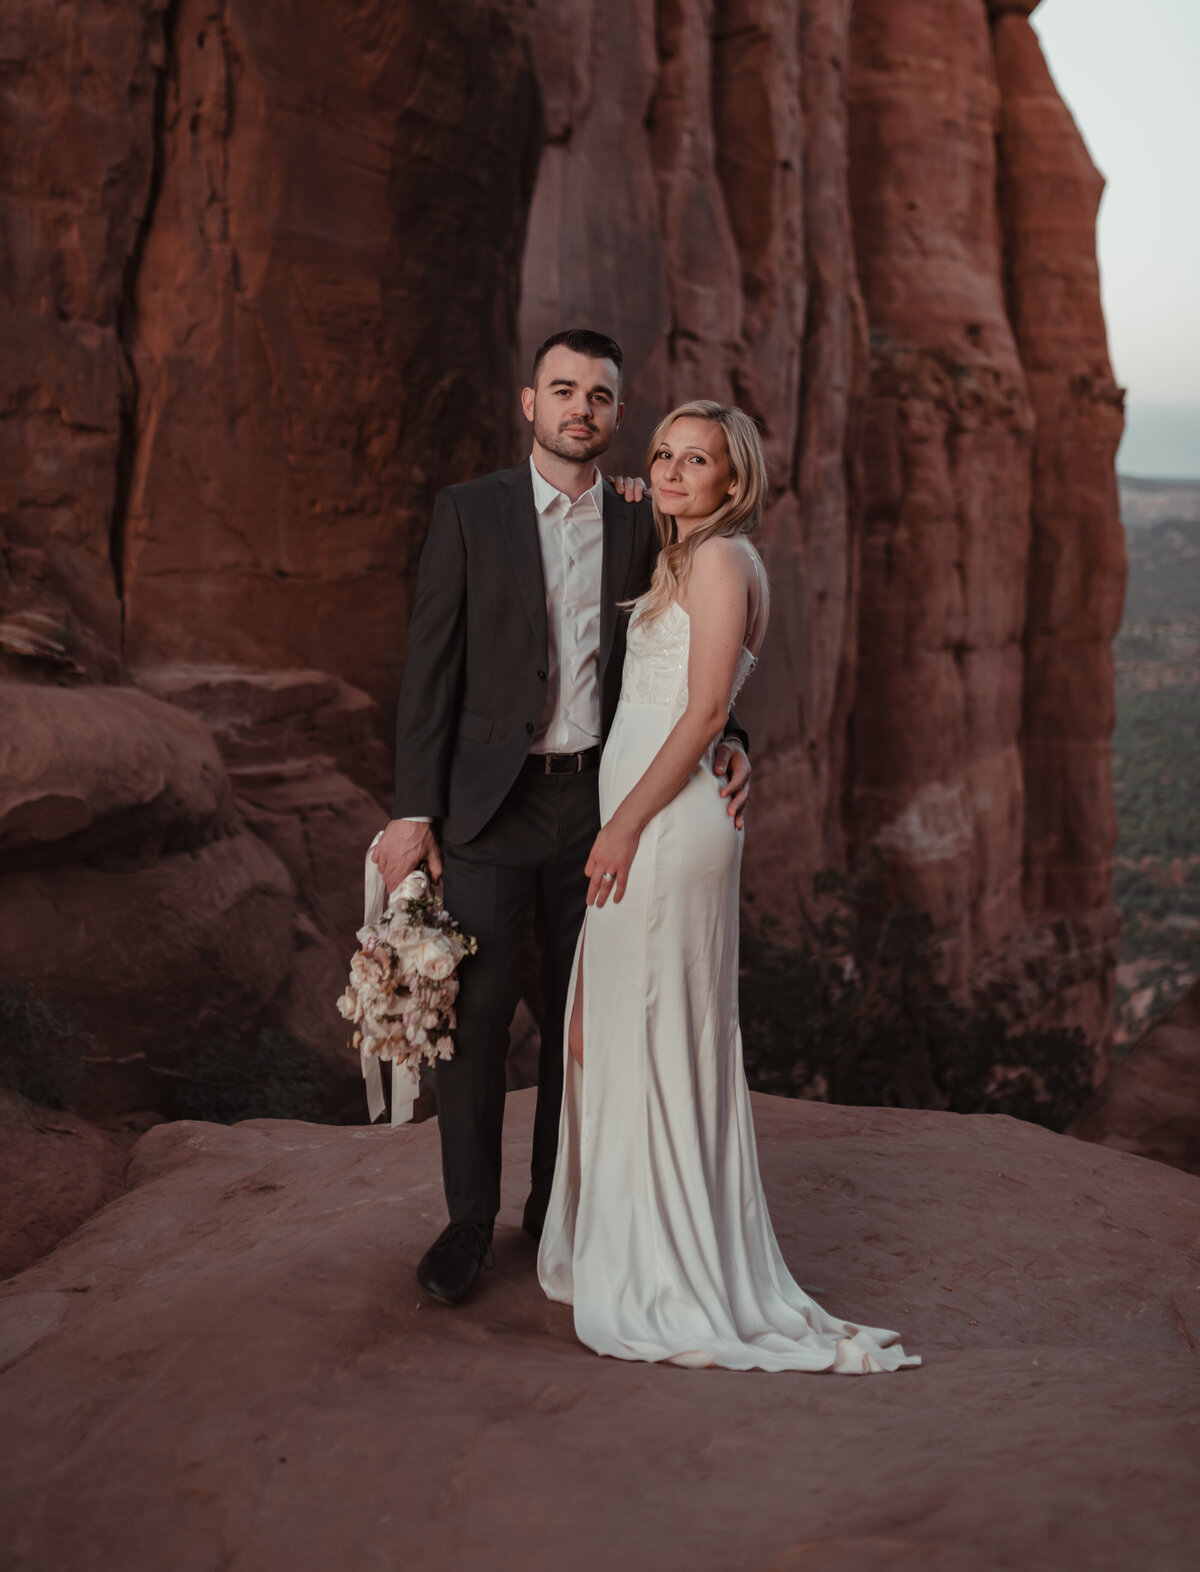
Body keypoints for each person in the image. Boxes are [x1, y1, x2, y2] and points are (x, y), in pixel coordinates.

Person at [537, 401, 921, 1376]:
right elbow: (709, 706)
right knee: (611, 1022)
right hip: (658, 816)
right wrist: (637, 485)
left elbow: (708, 706)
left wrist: (620, 824)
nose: (668, 472)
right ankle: (631, 1238)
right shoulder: (688, 553)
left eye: (693, 459)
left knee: (650, 1023)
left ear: (731, 479)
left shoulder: (717, 560)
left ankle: (666, 1265)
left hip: (661, 831)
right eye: (661, 454)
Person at [372, 330, 752, 1306]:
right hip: (489, 808)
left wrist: (732, 735)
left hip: (601, 806)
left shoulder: (642, 521)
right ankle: (468, 1223)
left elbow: (696, 644)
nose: (580, 408)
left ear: (617, 417)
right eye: (563, 390)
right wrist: (414, 811)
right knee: (479, 1011)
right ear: (529, 403)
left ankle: (555, 1210)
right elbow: (430, 667)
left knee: (590, 1011)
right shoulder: (469, 513)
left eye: (599, 396)